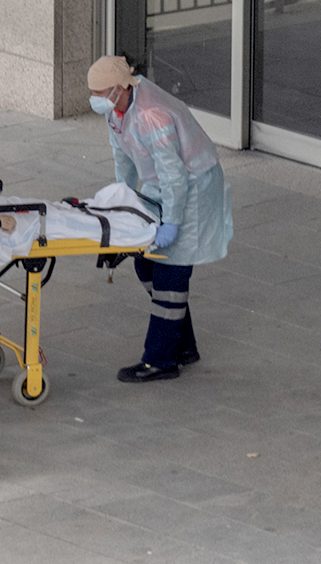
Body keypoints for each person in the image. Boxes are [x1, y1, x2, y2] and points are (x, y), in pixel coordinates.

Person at [88, 55, 233, 383]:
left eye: (100, 92)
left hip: (192, 186)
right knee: (146, 265)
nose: (95, 99)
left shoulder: (151, 114)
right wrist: (120, 202)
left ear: (119, 88)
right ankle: (183, 346)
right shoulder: (117, 110)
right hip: (160, 184)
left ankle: (160, 360)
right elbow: (122, 156)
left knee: (170, 274)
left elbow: (175, 177)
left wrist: (173, 223)